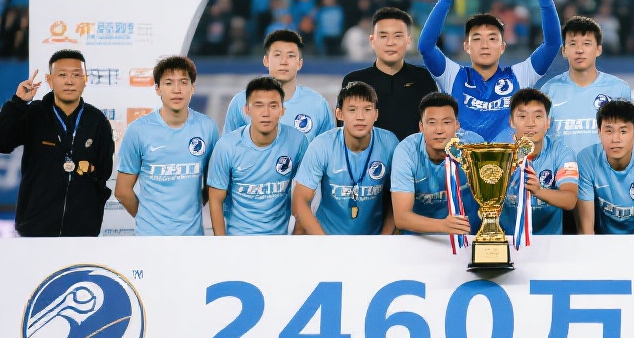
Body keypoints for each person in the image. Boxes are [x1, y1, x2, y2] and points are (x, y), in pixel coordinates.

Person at [417, 0, 561, 142]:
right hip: (461, 159)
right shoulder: (453, 75)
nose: (485, 45)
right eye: (477, 39)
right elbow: (426, 47)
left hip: (509, 159)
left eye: (492, 39)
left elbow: (552, 45)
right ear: (466, 46)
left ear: (502, 47)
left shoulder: (519, 75)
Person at [0, 49, 114, 236]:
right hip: (35, 227)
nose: (69, 81)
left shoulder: (97, 120)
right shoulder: (33, 114)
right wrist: (18, 103)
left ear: (85, 80)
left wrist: (90, 205)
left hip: (83, 230)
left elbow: (104, 171)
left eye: (76, 75)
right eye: (62, 75)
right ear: (49, 80)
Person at [115, 56, 219, 236]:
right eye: (169, 83)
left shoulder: (207, 127)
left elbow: (214, 184)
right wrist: (148, 220)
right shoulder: (138, 130)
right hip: (150, 237)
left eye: (183, 82)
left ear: (192, 88)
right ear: (157, 89)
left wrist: (191, 208)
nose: (177, 90)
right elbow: (122, 191)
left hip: (192, 237)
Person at [292, 82, 399, 235]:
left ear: (376, 114)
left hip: (374, 238)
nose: (360, 117)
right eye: (352, 110)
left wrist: (384, 239)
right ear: (339, 114)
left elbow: (398, 198)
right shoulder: (322, 145)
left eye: (367, 109)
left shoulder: (390, 143)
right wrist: (324, 242)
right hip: (327, 235)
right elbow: (299, 200)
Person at [207, 77, 309, 236]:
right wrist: (222, 244)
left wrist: (296, 238)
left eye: (273, 106)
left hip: (279, 241)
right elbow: (215, 200)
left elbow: (307, 193)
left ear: (282, 110)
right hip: (238, 240)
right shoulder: (227, 146)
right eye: (259, 105)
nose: (266, 113)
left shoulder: (297, 141)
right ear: (247, 110)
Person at [391, 92, 485, 236]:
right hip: (418, 240)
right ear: (421, 127)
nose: (439, 130)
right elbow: (401, 218)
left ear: (457, 125)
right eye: (432, 122)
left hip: (467, 237)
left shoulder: (475, 146)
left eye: (447, 122)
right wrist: (443, 226)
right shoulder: (406, 152)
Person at [340, 7, 438, 141]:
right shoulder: (354, 81)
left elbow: (435, 125)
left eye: (397, 36)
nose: (390, 43)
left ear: (408, 41)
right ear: (372, 40)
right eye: (383, 36)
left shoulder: (423, 78)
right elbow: (344, 134)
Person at [576, 99, 634, 235]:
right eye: (609, 131)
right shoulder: (586, 159)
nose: (616, 139)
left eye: (623, 131)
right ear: (599, 133)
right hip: (604, 242)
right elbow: (586, 230)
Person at [539, 15, 632, 155]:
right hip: (560, 168)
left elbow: (627, 139)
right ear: (564, 50)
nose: (579, 50)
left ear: (599, 50)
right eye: (573, 44)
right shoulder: (549, 90)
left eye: (586, 44)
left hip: (603, 169)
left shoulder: (619, 89)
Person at [223, 29, 332, 142]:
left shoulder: (317, 104)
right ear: (266, 61)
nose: (284, 61)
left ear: (300, 63)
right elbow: (228, 147)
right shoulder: (241, 101)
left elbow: (328, 149)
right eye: (277, 55)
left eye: (290, 56)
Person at [496, 89, 578, 236]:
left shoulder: (562, 153)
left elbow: (570, 200)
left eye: (538, 116)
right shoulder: (498, 153)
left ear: (548, 123)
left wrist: (538, 191)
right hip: (507, 240)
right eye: (522, 116)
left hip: (550, 241)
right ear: (511, 122)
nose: (530, 123)